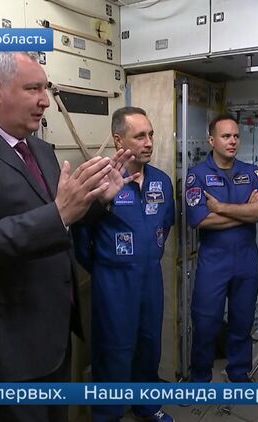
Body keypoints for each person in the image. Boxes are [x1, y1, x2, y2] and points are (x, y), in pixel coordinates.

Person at [0, 52, 135, 422]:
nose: (45, 100)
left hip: (53, 337)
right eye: (33, 89)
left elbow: (61, 220)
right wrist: (60, 213)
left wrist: (98, 201)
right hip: (5, 350)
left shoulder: (40, 150)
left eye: (45, 89)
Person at [73, 107, 175, 422]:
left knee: (149, 344)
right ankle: (108, 414)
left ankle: (147, 406)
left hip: (150, 278)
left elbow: (165, 225)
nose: (149, 142)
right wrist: (108, 268)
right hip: (113, 282)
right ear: (119, 140)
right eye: (140, 136)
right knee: (113, 350)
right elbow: (80, 239)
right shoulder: (99, 183)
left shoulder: (161, 181)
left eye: (151, 134)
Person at [185, 115, 258, 382]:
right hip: (213, 261)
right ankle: (199, 379)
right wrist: (246, 210)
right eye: (226, 136)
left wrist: (221, 208)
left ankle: (238, 373)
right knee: (205, 322)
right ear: (211, 140)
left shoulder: (253, 173)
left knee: (242, 321)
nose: (232, 141)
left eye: (236, 136)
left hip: (246, 260)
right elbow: (200, 220)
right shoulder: (197, 175)